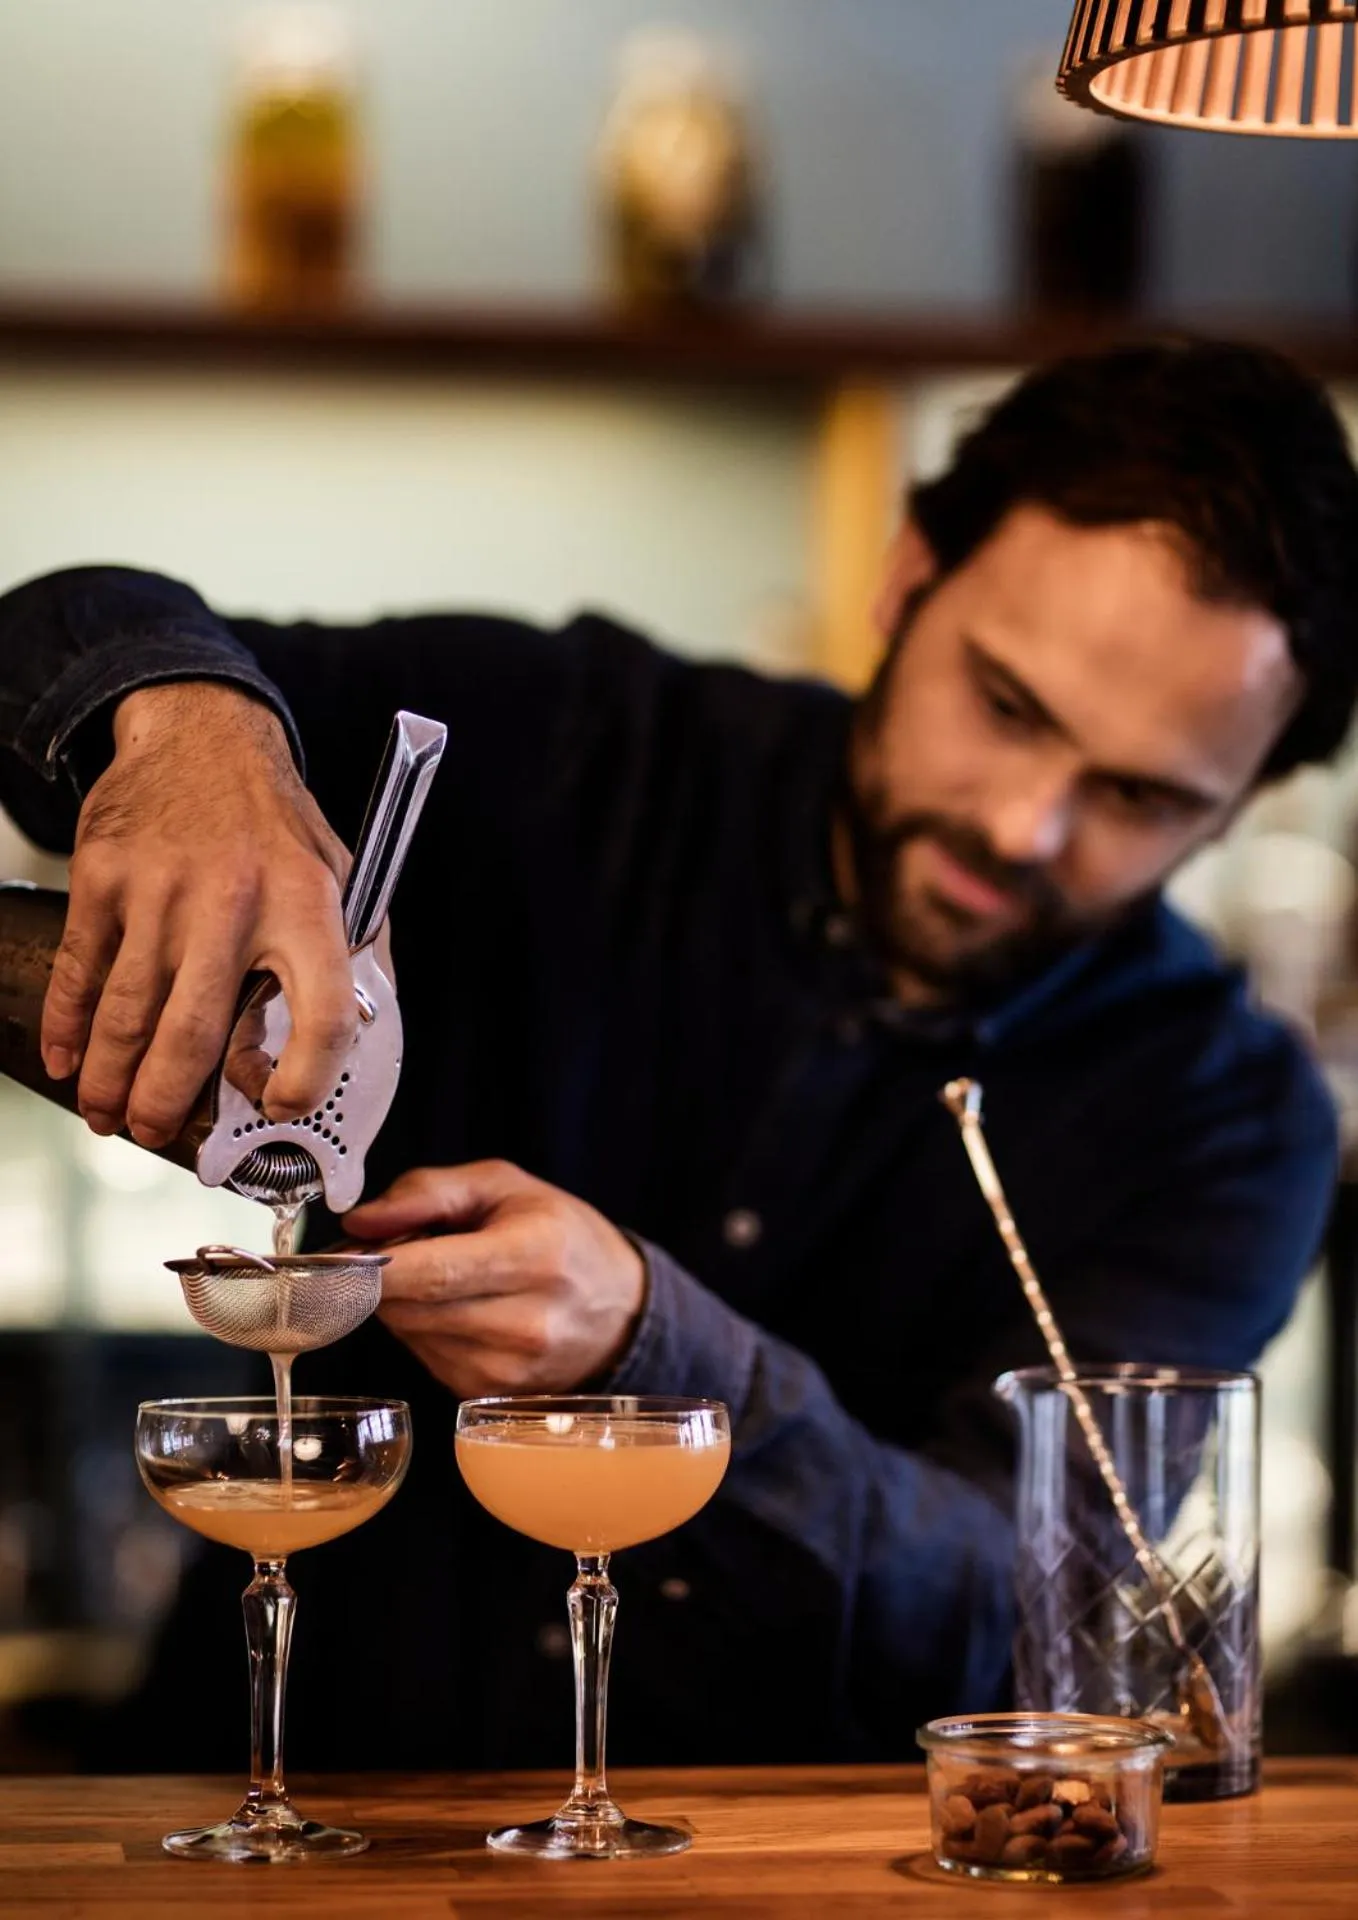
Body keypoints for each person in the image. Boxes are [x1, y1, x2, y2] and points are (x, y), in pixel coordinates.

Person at [0, 338, 1353, 1771]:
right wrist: (191, 731)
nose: (1023, 824)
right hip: (268, 1796)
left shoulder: (1224, 1117)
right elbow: (53, 630)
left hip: (794, 1875)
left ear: (1236, 807)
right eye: (1007, 707)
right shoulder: (578, 744)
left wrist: (663, 1352)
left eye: (1140, 795)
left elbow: (1009, 1602)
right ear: (906, 581)